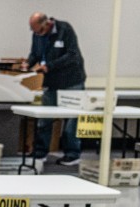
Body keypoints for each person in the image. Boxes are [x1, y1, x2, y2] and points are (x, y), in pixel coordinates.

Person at [23, 12, 86, 166]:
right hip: (51, 82)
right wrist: (28, 64)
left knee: (71, 120)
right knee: (44, 118)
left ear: (47, 24)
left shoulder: (64, 29)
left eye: (39, 30)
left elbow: (72, 55)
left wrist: (50, 66)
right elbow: (35, 53)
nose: (37, 34)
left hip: (71, 81)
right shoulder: (37, 34)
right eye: (34, 31)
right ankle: (40, 152)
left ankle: (72, 154)